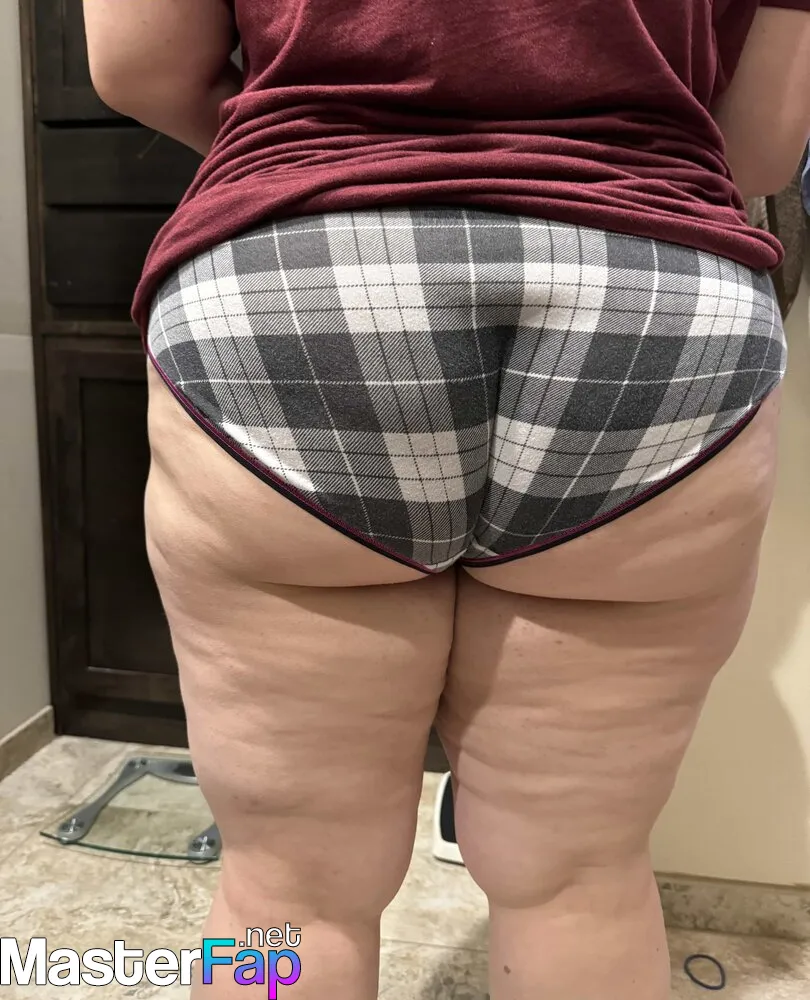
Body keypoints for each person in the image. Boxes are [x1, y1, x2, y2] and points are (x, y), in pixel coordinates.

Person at [83, 2, 810, 997]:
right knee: (580, 879)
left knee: (285, 888)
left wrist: (316, 151)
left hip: (303, 274)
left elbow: (137, 66)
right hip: (652, 288)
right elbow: (761, 148)